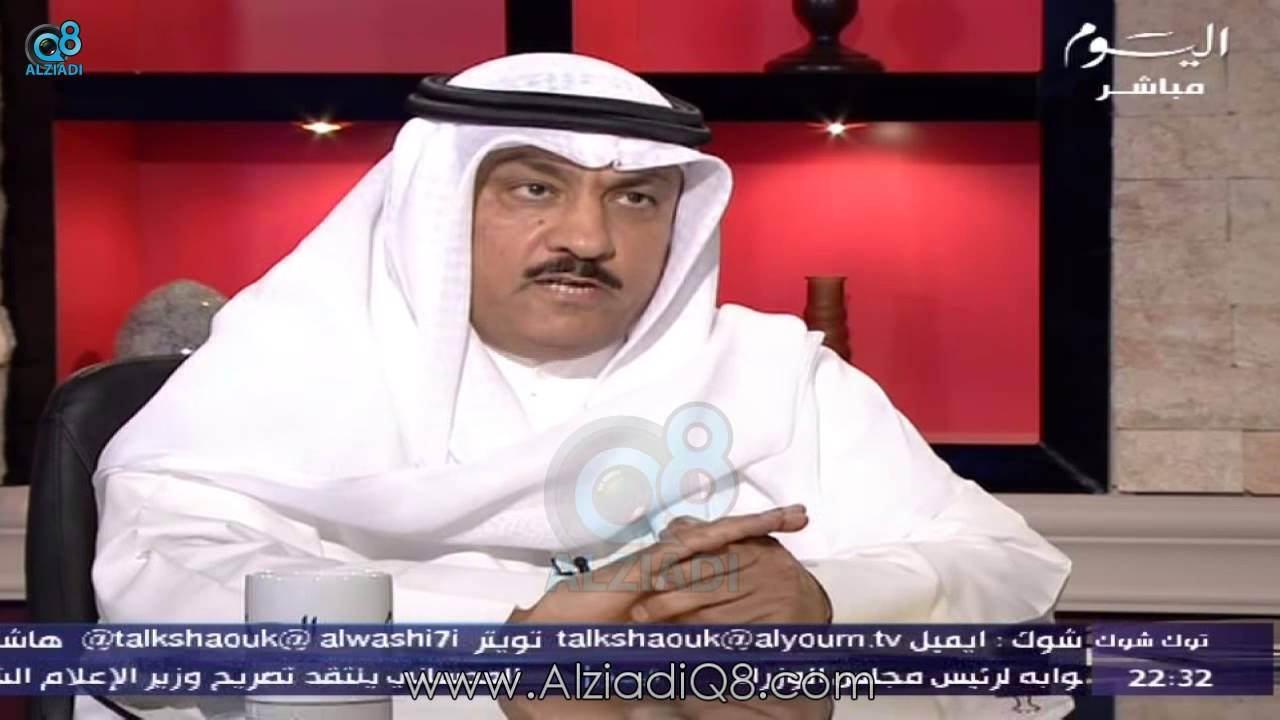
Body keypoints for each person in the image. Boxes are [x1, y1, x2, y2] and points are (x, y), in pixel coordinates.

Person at [90, 50, 1068, 674]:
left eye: (635, 199)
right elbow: (170, 588)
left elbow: (1005, 565)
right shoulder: (285, 365)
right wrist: (514, 642)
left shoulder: (770, 377)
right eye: (533, 189)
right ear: (438, 208)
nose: (587, 238)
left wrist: (823, 602)